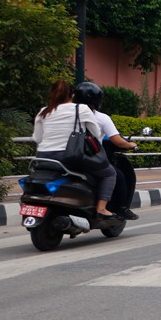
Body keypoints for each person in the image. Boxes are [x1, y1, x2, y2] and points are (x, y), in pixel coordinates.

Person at [31, 80, 119, 220]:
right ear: (72, 95)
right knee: (109, 173)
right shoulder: (81, 109)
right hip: (69, 157)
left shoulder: (43, 111)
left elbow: (37, 138)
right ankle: (101, 209)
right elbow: (96, 133)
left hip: (43, 158)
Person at [75, 81, 140, 220]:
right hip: (88, 157)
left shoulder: (65, 113)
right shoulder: (100, 117)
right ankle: (106, 208)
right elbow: (117, 140)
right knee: (115, 175)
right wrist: (131, 145)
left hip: (59, 155)